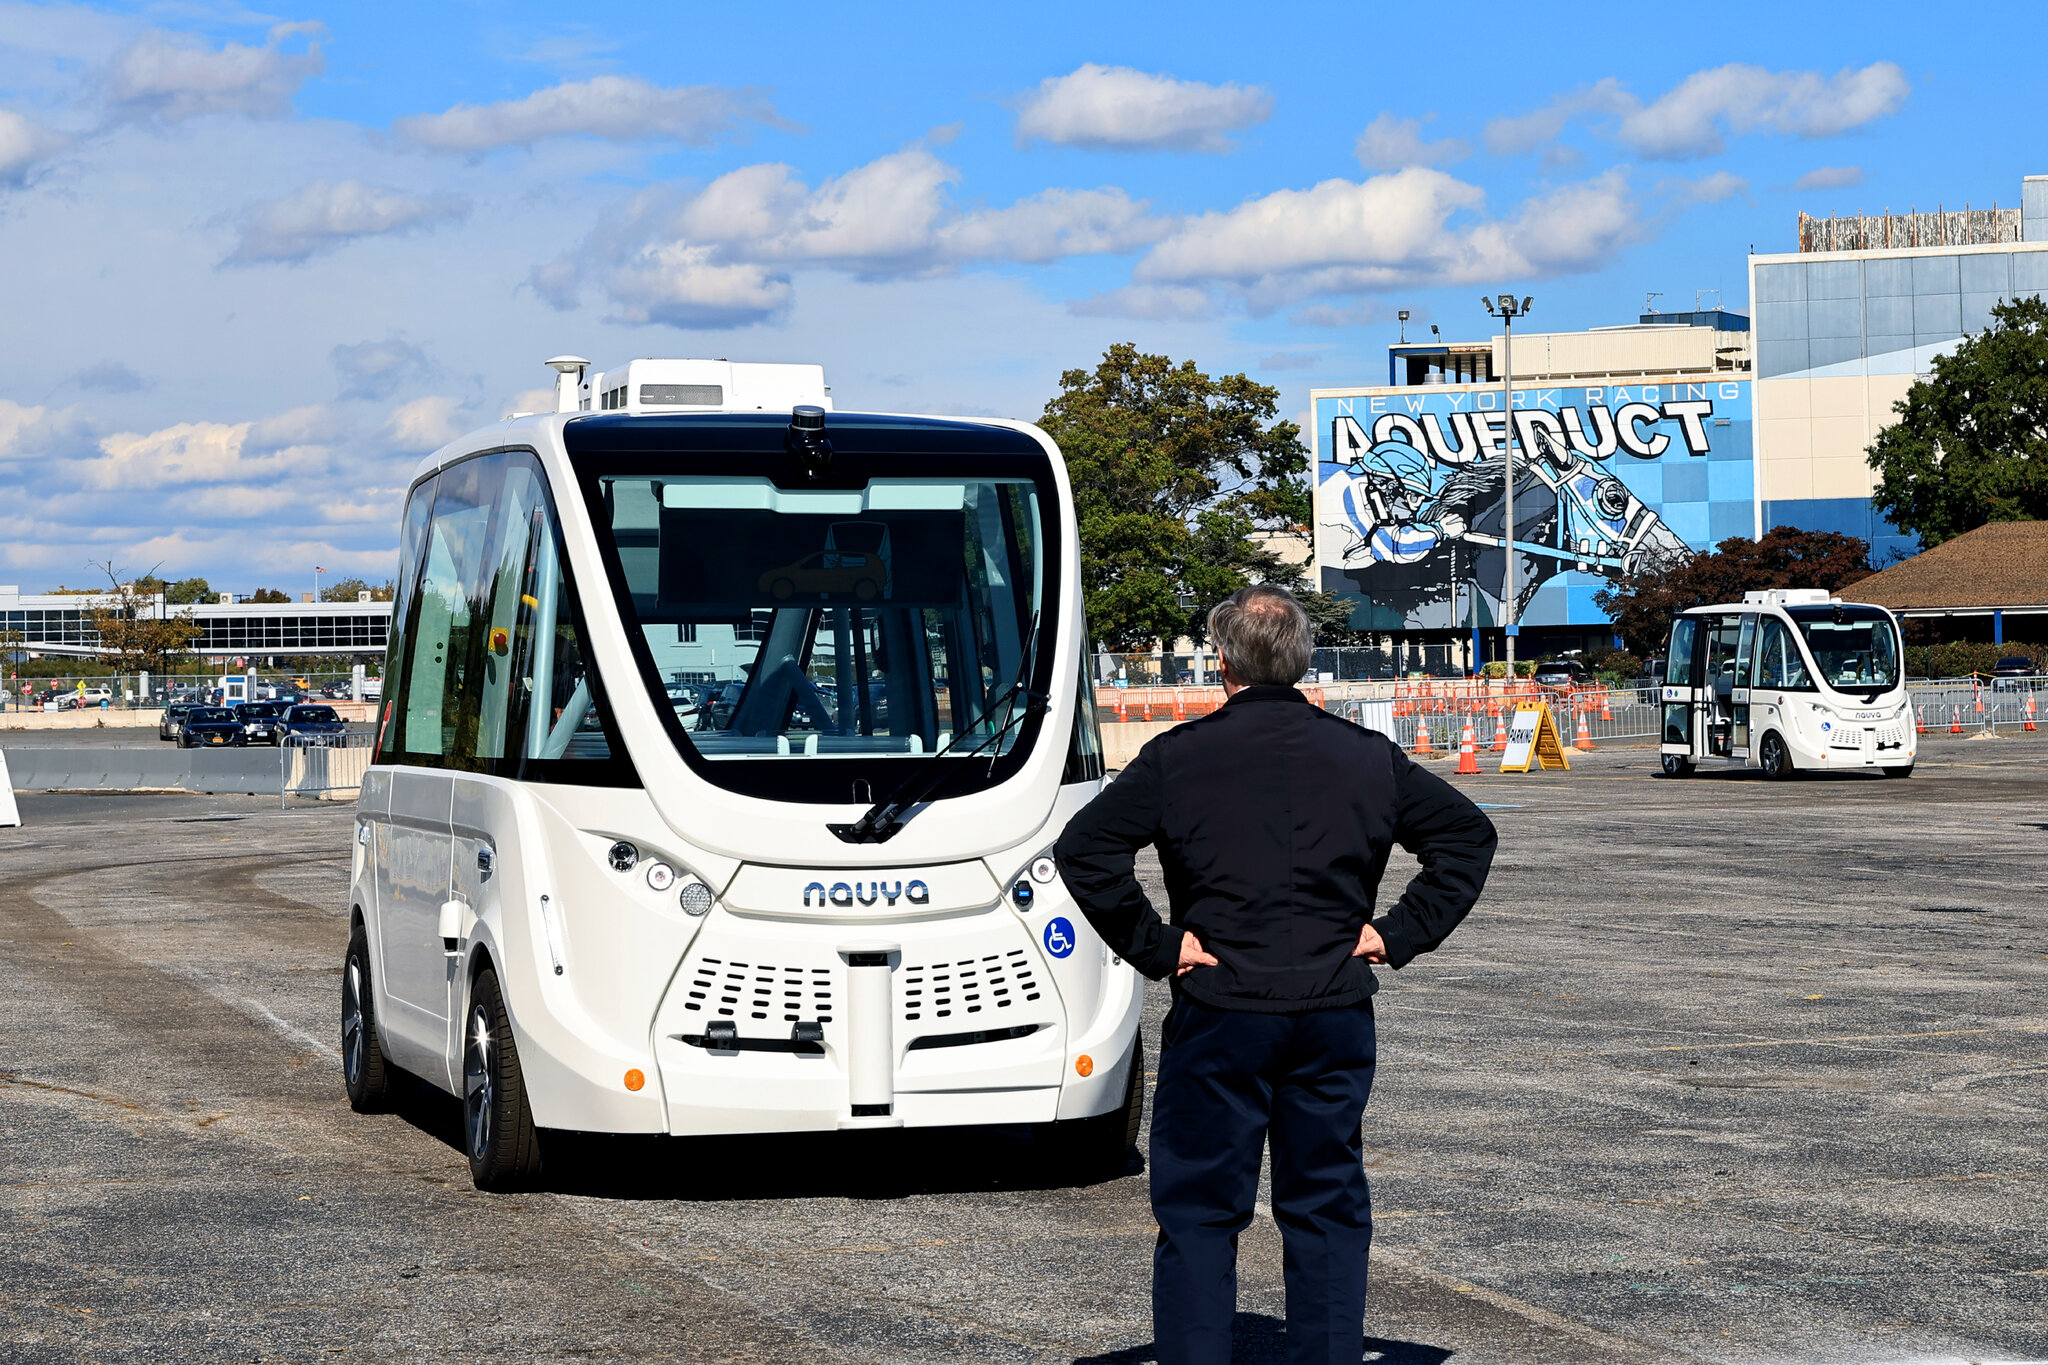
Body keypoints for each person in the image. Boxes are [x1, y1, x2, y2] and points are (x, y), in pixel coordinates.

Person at [1055, 584, 1497, 1365]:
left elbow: (1085, 850)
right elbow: (1467, 835)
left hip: (1221, 1006)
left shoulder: (1178, 757)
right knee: (1325, 1202)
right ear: (1303, 660)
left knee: (1199, 1209)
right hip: (1331, 1009)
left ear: (1219, 660)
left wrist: (1158, 945)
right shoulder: (1368, 756)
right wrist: (1397, 934)